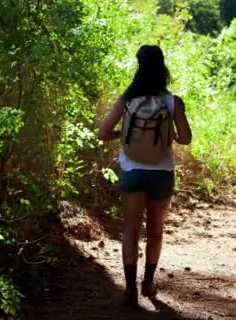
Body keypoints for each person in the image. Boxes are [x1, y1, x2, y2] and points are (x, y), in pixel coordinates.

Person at [98, 45, 192, 307]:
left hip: (132, 172)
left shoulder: (128, 98)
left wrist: (124, 135)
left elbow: (103, 132)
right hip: (162, 174)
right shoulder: (172, 101)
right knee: (155, 231)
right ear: (163, 67)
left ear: (139, 66)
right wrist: (168, 136)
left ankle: (129, 290)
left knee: (130, 230)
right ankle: (148, 282)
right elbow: (185, 138)